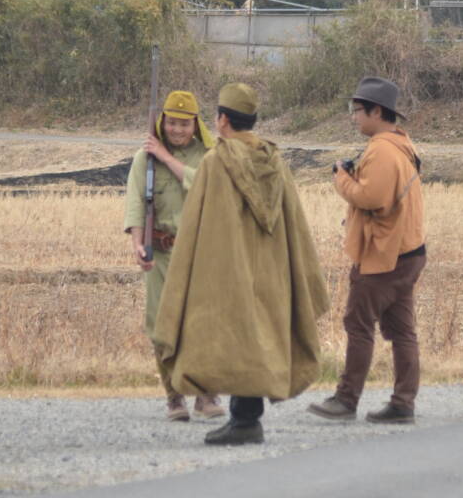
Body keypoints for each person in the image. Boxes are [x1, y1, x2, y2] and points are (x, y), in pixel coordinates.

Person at [153, 82, 328, 446]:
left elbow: (197, 223)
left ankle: (244, 421)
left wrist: (188, 272)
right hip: (270, 268)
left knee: (235, 336)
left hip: (228, 270)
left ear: (222, 121)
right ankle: (246, 417)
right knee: (257, 337)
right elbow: (294, 222)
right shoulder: (275, 161)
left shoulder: (216, 162)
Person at [309, 75, 425, 425]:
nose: (354, 116)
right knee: (402, 330)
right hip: (409, 252)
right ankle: (403, 402)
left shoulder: (382, 150)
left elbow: (372, 198)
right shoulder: (402, 144)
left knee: (358, 323)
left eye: (357, 109)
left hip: (384, 256)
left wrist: (341, 178)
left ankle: (346, 399)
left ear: (376, 111)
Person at [123, 89, 224, 422]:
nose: (177, 129)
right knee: (161, 326)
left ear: (195, 125)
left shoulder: (210, 155)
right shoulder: (144, 159)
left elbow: (206, 186)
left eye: (184, 124)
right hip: (162, 253)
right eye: (171, 123)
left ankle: (206, 394)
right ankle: (174, 396)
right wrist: (138, 244)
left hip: (200, 253)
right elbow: (136, 204)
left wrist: (166, 157)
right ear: (162, 122)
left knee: (202, 325)